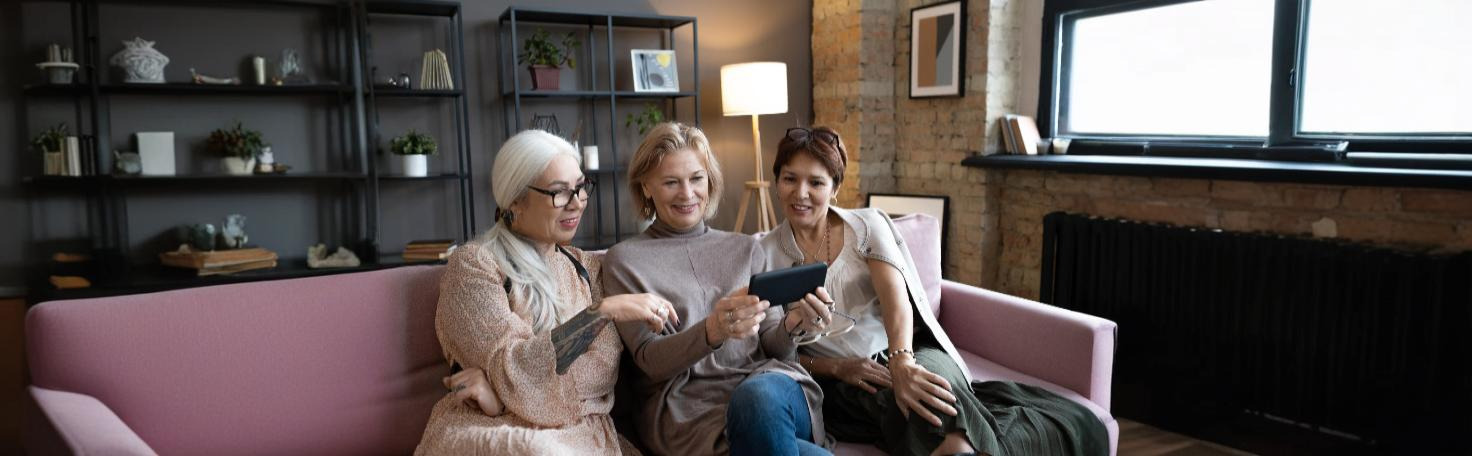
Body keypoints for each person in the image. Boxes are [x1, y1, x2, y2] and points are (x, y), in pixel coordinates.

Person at [760, 126, 1109, 456]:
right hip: (840, 378)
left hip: (909, 350)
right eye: (790, 178)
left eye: (815, 182)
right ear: (777, 182)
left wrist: (902, 363)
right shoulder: (763, 253)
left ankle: (961, 445)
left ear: (834, 187)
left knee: (934, 396)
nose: (800, 193)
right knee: (913, 413)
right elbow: (769, 348)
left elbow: (897, 300)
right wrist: (836, 368)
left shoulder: (866, 226)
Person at [415, 129, 679, 455]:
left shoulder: (585, 268)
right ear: (515, 200)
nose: (576, 203)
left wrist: (506, 393)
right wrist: (601, 313)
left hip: (579, 433)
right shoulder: (474, 266)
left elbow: (600, 375)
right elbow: (511, 367)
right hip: (491, 427)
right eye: (559, 193)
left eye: (580, 188)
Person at [601, 122, 836, 456]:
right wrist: (713, 330)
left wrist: (794, 323)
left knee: (756, 398)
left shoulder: (746, 248)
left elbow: (774, 346)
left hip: (769, 391)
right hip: (688, 411)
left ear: (709, 181)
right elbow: (648, 360)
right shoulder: (624, 261)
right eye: (671, 182)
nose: (687, 193)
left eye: (696, 178)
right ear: (646, 187)